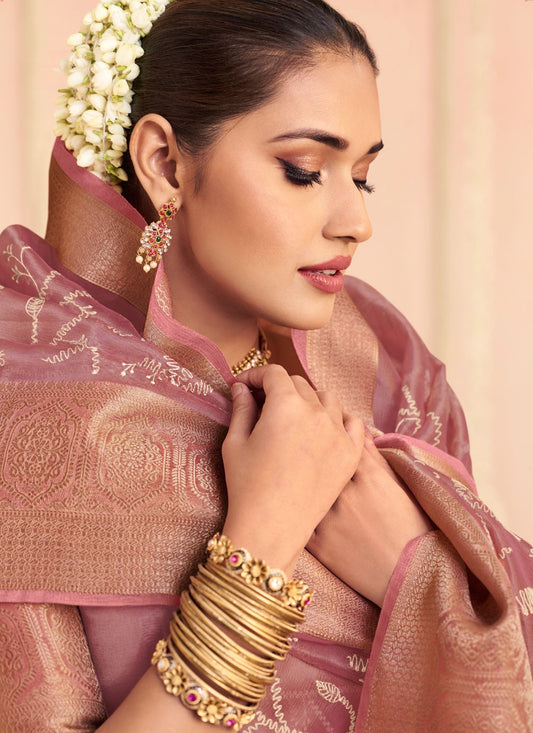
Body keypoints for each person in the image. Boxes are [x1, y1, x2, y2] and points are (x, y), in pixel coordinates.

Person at [0, 0, 532, 730]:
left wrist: (413, 570)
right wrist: (262, 539)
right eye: (303, 171)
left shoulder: (384, 369)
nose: (356, 222)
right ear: (164, 164)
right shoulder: (32, 412)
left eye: (363, 177)